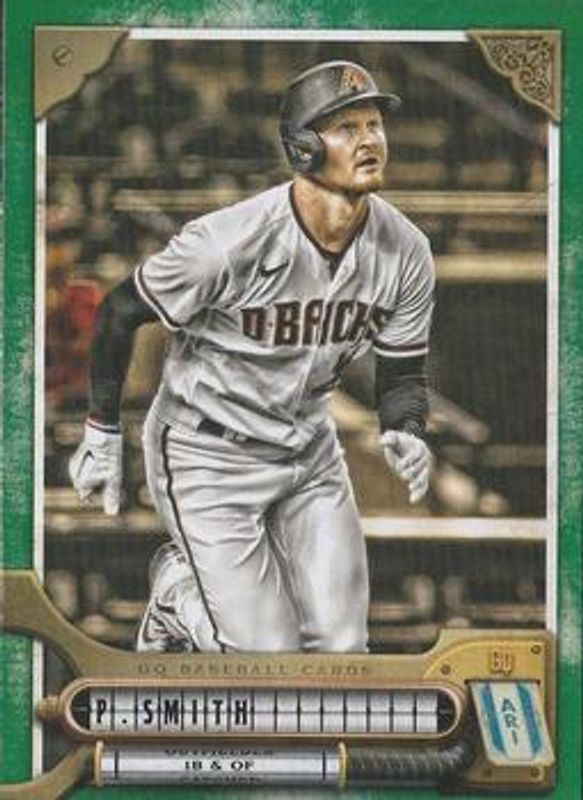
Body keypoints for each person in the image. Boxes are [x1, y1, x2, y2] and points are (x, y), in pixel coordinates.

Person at [69, 60, 434, 654]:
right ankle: (177, 598)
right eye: (346, 128)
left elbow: (403, 371)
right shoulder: (228, 242)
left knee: (342, 650)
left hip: (309, 449)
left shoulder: (407, 249)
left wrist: (405, 427)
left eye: (374, 125)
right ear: (302, 147)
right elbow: (118, 311)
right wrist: (102, 431)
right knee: (266, 659)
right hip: (207, 451)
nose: (369, 139)